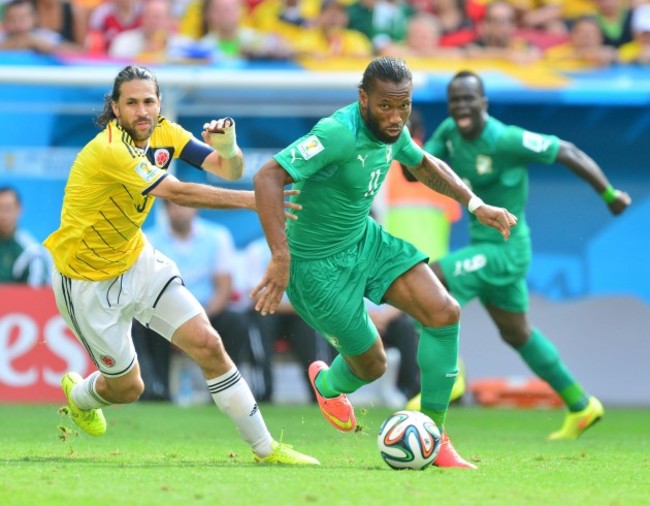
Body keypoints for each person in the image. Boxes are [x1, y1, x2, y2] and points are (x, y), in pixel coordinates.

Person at [43, 64, 319, 466]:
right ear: (115, 109)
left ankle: (267, 449)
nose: (142, 111)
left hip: (137, 260)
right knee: (128, 389)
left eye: (149, 101)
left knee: (208, 343)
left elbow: (229, 170)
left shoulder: (167, 133)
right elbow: (178, 192)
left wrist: (228, 147)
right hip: (85, 280)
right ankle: (81, 395)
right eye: (131, 103)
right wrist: (257, 199)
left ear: (159, 104)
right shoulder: (108, 149)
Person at [251, 56, 517, 469]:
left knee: (444, 312)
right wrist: (281, 257)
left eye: (404, 106)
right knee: (372, 365)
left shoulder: (395, 130)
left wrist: (474, 202)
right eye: (385, 107)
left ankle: (436, 434)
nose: (396, 118)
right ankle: (328, 382)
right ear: (363, 99)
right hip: (316, 268)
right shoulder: (337, 132)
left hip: (365, 241)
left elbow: (423, 163)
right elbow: (268, 176)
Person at [417, 70, 631, 440]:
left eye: (469, 99)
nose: (462, 107)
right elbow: (415, 172)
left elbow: (566, 151)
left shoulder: (505, 139)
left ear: (484, 103)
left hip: (505, 249)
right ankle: (581, 404)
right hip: (486, 249)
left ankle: (451, 376)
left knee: (428, 280)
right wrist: (401, 142)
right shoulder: (449, 133)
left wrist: (609, 195)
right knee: (517, 333)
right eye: (455, 101)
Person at [133, 199, 250, 403]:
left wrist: (197, 319)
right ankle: (157, 390)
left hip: (208, 311)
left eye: (184, 205)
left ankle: (227, 390)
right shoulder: (148, 239)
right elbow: (146, 289)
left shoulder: (218, 236)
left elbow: (224, 287)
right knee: (141, 325)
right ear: (166, 211)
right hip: (164, 313)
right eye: (174, 206)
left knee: (236, 322)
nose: (180, 211)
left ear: (195, 208)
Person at [0, 186, 50, 286]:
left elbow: (34, 296)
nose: (3, 215)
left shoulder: (32, 251)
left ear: (19, 209)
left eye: (8, 209)